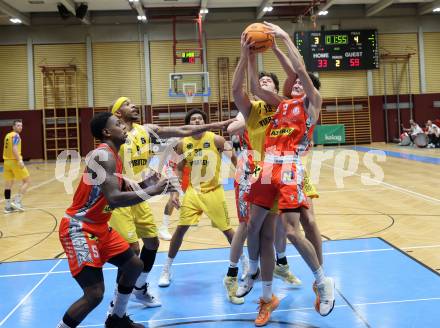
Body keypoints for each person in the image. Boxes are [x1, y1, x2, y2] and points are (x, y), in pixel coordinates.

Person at [245, 22, 335, 325]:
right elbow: (257, 88)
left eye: (301, 82)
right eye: (294, 82)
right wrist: (250, 55)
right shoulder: (283, 105)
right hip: (267, 167)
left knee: (295, 231)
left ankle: (322, 281)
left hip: (289, 168)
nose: (296, 82)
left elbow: (300, 69)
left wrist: (283, 38)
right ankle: (252, 274)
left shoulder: (312, 105)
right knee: (253, 226)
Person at [108, 97, 236, 308]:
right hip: (122, 198)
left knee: (152, 243)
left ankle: (139, 288)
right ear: (118, 114)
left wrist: (215, 125)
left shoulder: (146, 130)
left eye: (133, 102)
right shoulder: (115, 136)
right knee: (132, 251)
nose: (134, 105)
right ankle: (118, 299)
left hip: (141, 196)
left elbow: (182, 130)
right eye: (127, 103)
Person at [57, 112, 177, 328]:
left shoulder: (115, 156)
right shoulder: (104, 156)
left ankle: (117, 319)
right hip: (79, 227)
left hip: (99, 227)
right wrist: (152, 191)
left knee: (134, 265)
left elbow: (120, 190)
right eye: (118, 124)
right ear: (106, 132)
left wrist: (149, 184)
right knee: (94, 294)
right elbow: (115, 198)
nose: (124, 127)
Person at [158, 108, 238, 287]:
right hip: (193, 192)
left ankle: (245, 265)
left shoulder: (216, 139)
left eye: (200, 119)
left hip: (213, 191)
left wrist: (242, 174)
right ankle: (166, 270)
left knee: (228, 231)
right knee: (180, 230)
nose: (196, 121)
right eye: (193, 119)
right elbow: (179, 168)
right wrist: (176, 191)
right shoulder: (182, 143)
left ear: (205, 122)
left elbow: (234, 159)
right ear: (188, 124)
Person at [2, 120, 30, 213]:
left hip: (6, 162)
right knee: (27, 181)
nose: (20, 127)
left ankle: (7, 206)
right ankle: (17, 202)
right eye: (18, 125)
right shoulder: (16, 135)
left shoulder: (7, 135)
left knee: (8, 184)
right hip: (14, 162)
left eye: (21, 126)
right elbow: (14, 148)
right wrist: (20, 160)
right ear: (13, 127)